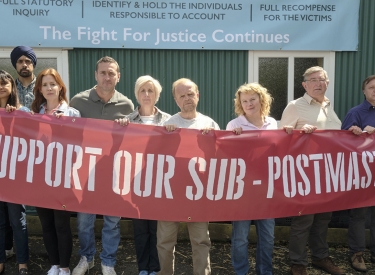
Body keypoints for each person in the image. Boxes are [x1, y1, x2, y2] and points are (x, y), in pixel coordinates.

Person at [69, 56, 134, 275]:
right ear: (96, 75)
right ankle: (87, 258)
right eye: (103, 72)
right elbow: (67, 134)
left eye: (111, 73)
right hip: (85, 173)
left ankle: (108, 261)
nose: (107, 77)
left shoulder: (127, 105)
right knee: (84, 222)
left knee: (112, 222)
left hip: (114, 174)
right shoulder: (78, 101)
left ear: (118, 76)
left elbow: (133, 141)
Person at [279, 66, 344, 275]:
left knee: (323, 218)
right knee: (303, 219)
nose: (318, 83)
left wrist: (352, 134)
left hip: (328, 174)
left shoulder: (328, 106)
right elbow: (281, 139)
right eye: (313, 80)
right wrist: (299, 133)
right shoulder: (295, 106)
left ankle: (320, 257)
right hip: (305, 174)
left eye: (322, 79)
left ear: (327, 83)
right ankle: (297, 263)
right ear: (305, 85)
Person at [157, 78, 219, 275]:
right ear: (176, 100)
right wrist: (165, 137)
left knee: (201, 240)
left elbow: (221, 157)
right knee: (165, 240)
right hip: (171, 191)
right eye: (182, 95)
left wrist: (212, 141)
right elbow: (156, 157)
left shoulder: (209, 123)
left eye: (190, 94)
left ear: (198, 95)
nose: (187, 98)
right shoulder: (168, 124)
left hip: (198, 191)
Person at [116, 75, 170, 275]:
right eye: (142, 91)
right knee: (140, 229)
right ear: (137, 94)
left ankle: (155, 268)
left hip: (160, 183)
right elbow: (116, 147)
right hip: (135, 183)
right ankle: (143, 268)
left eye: (151, 91)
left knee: (157, 229)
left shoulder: (168, 120)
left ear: (157, 95)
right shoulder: (127, 120)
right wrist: (118, 130)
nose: (147, 95)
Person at [31, 68, 80, 275]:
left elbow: (80, 146)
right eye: (45, 85)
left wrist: (66, 125)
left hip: (62, 179)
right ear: (40, 90)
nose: (49, 88)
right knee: (46, 224)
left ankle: (64, 266)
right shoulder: (33, 113)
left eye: (53, 83)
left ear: (60, 86)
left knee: (61, 224)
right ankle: (53, 264)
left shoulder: (72, 113)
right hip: (39, 179)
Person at [226, 83, 276, 275]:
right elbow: (227, 157)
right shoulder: (234, 125)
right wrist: (233, 139)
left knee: (268, 236)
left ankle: (265, 271)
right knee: (240, 237)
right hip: (243, 190)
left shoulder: (272, 123)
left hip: (267, 189)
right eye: (244, 101)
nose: (249, 104)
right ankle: (241, 271)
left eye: (252, 99)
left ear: (261, 99)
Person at [341, 74, 375, 272]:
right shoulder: (355, 112)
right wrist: (357, 133)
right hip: (361, 174)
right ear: (364, 91)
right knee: (359, 214)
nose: (374, 90)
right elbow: (341, 143)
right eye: (371, 87)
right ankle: (357, 253)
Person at [0, 70, 30, 275]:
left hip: (14, 176)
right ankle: (1, 258)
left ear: (12, 87)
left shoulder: (22, 111)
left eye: (5, 83)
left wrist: (15, 117)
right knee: (0, 221)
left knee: (17, 220)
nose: (1, 87)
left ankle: (23, 262)